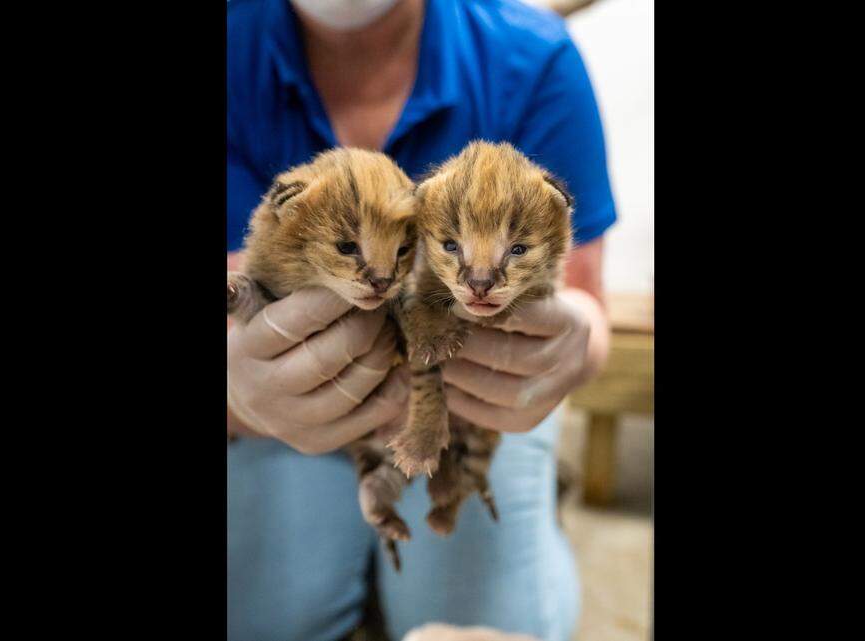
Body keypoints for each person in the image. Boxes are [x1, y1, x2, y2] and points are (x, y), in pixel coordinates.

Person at [226, 1, 616, 639]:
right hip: (267, 420)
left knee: (480, 621)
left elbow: (582, 294)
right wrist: (240, 396)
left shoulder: (532, 56)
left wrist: (575, 347)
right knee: (265, 615)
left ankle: (516, 481)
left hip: (476, 402)